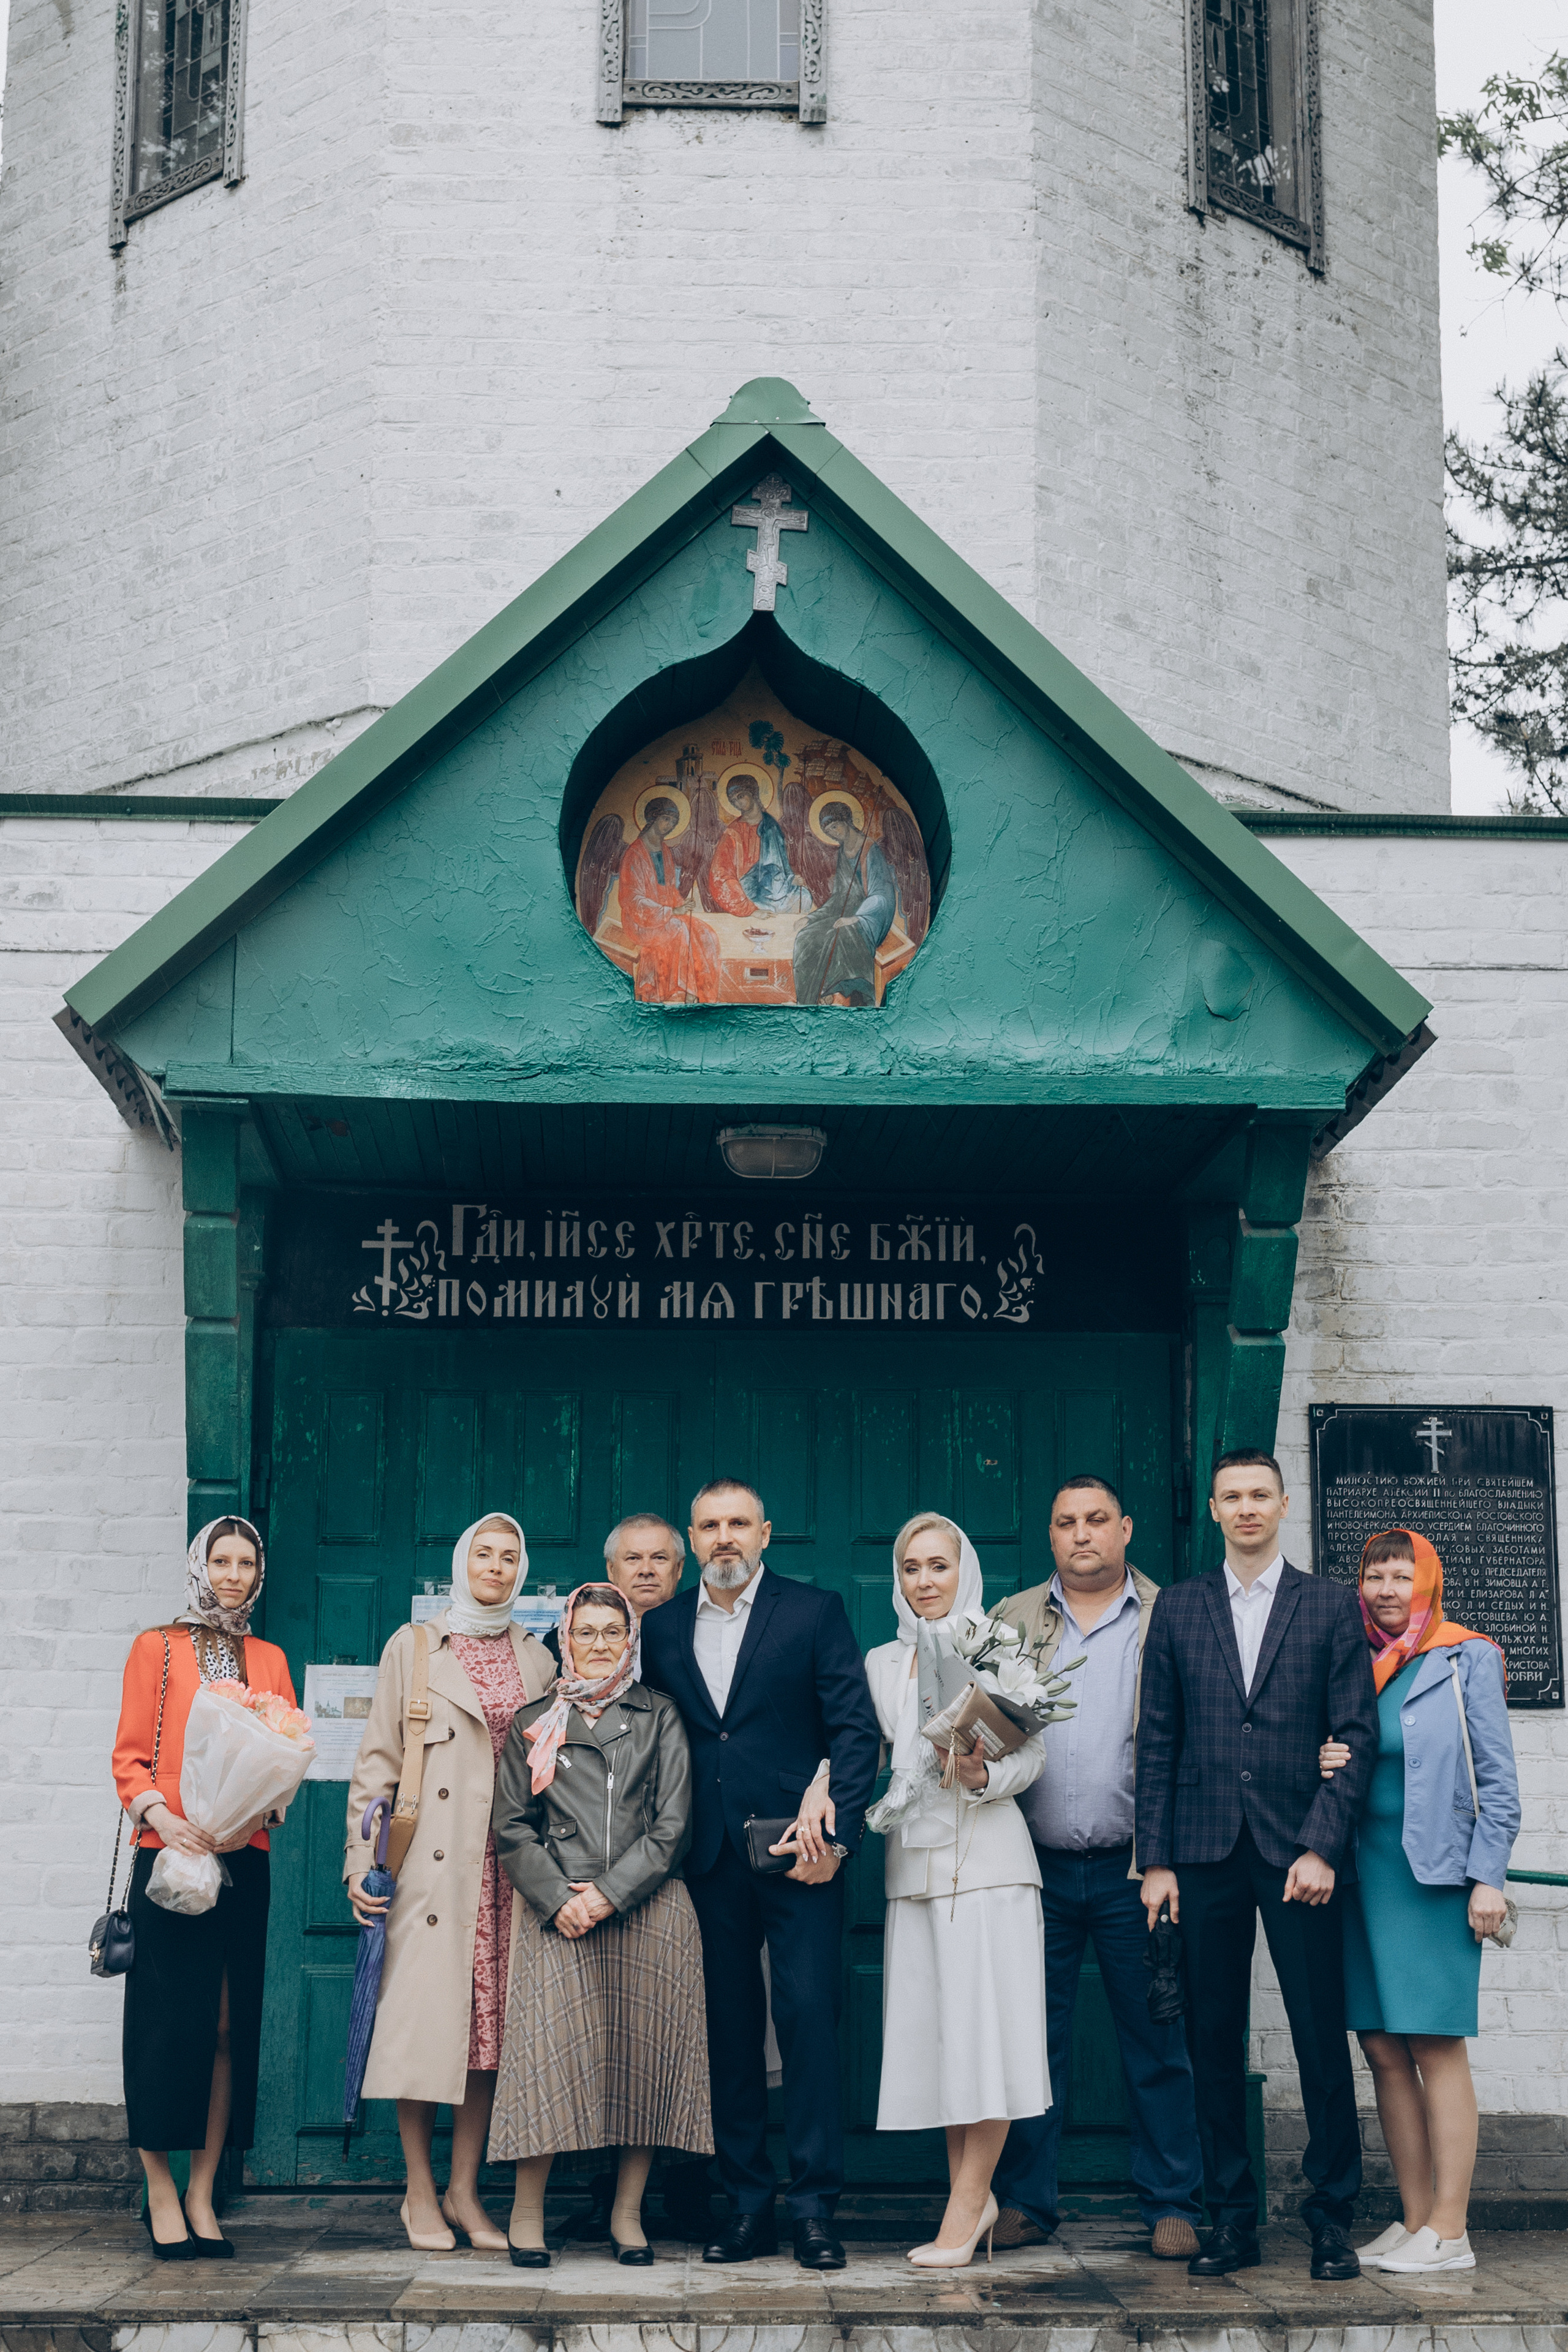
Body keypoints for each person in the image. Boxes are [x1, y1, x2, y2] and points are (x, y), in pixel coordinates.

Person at [1135, 1449, 1379, 2282]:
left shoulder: (1329, 1606)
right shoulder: (1177, 1607)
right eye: (1232, 1497)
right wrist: (1155, 1861)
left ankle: (1331, 2216)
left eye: (1259, 1496)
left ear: (1282, 1505)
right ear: (1213, 1509)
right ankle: (1230, 2218)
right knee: (1209, 2038)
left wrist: (1322, 1844)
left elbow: (1357, 1735)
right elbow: (1158, 1739)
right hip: (1201, 1853)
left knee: (1318, 2034)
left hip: (1296, 1854)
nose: (1246, 1509)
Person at [639, 1477, 881, 2270]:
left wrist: (836, 1832)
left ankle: (814, 2207)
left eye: (739, 1522)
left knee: (810, 2023)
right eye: (709, 1525)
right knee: (729, 2037)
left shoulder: (814, 1613)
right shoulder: (663, 1626)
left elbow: (854, 1731)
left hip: (798, 1853)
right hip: (705, 1860)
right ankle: (747, 2204)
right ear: (693, 1535)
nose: (725, 1537)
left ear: (766, 1532)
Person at [988, 1476, 1204, 2260]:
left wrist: (1165, 1858)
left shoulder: (1170, 1614)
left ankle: (1172, 2201)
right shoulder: (1010, 1620)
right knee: (1028, 2041)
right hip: (1031, 1868)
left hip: (1133, 1871)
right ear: (1051, 1536)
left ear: (1126, 1528)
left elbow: (1189, 1745)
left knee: (1155, 2039)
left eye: (1096, 1520)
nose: (1081, 1534)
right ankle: (1026, 2202)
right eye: (1065, 1522)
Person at [345, 1513, 554, 2251]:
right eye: (484, 1553)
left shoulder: (538, 1659)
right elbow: (376, 1764)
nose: (495, 1566)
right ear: (462, 1561)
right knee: (422, 2032)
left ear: (520, 1570)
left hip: (508, 1872)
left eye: (509, 1556)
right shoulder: (416, 1646)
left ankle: (466, 2191)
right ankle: (419, 2193)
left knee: (487, 2038)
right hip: (432, 1871)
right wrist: (359, 1864)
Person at [1314, 1528, 1519, 2275]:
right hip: (1358, 1876)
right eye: (1375, 1578)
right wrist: (1324, 1755)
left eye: (1402, 1576)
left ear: (1427, 1582)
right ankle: (1412, 2221)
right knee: (1380, 2046)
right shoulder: (1351, 1662)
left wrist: (1488, 1878)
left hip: (1431, 1880)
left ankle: (1452, 2227)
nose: (1388, 1590)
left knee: (1433, 2043)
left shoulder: (1467, 1656)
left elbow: (1496, 1783)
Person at [489, 1582, 712, 2264]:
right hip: (556, 1911)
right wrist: (561, 1898)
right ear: (565, 1637)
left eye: (610, 1632)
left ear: (629, 1640)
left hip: (646, 1904)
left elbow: (673, 1826)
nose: (596, 1645)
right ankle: (527, 2213)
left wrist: (608, 1894)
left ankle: (627, 2214)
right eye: (583, 1633)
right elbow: (511, 1827)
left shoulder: (660, 1716)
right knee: (544, 2059)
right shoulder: (534, 1719)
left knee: (640, 2061)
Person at [864, 1512, 1050, 2268]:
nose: (925, 1581)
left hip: (992, 1867)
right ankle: (970, 2200)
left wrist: (982, 1774)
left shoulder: (1000, 1650)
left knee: (990, 2040)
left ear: (962, 1570)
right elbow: (856, 1750)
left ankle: (966, 2207)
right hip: (914, 1870)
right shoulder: (881, 1662)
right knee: (946, 2045)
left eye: (938, 1566)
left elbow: (1032, 1758)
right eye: (912, 1568)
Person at [112, 1517, 296, 2258]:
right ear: (201, 1566)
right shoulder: (156, 1648)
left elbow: (286, 1761)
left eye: (245, 1562)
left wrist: (253, 1811)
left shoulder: (270, 1658)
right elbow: (130, 1758)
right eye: (220, 1560)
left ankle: (203, 2191)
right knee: (164, 2027)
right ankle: (160, 2190)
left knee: (225, 2030)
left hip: (241, 1859)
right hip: (170, 1856)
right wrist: (168, 1816)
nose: (232, 1573)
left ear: (259, 1572)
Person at [616, 798, 722, 1005]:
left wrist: (682, 905)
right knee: (679, 930)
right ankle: (687, 991)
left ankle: (704, 995)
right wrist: (672, 911)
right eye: (666, 819)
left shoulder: (664, 851)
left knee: (705, 933)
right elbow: (632, 900)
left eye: (673, 822)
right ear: (653, 819)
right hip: (641, 921)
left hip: (665, 913)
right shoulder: (634, 854)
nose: (670, 825)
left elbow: (669, 889)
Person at [791, 798, 896, 1006]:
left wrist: (857, 917)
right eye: (829, 830)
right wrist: (812, 918)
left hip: (870, 917)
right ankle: (807, 1000)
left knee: (839, 934)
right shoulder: (843, 852)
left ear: (847, 821)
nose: (833, 832)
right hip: (844, 911)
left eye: (835, 825)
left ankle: (836, 992)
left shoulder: (870, 850)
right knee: (806, 937)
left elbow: (882, 895)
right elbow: (840, 896)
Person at [704, 774, 812, 914]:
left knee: (803, 897)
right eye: (733, 801)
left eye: (740, 796)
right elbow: (720, 874)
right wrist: (748, 909)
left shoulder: (772, 826)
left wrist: (790, 879)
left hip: (777, 887)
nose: (737, 803)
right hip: (748, 894)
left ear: (753, 793)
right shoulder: (733, 833)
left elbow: (781, 864)